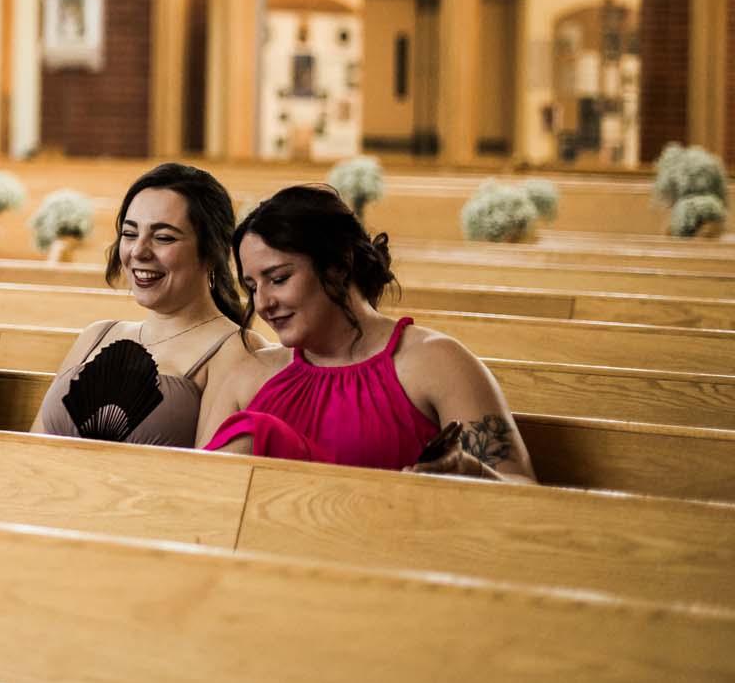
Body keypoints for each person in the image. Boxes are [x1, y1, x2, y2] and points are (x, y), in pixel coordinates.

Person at [203, 184, 537, 482]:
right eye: (251, 286)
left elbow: (523, 492)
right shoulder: (248, 375)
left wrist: (467, 470)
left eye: (278, 279)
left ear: (338, 265)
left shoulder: (436, 362)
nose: (262, 303)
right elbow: (192, 490)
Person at [31, 163, 257, 447]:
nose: (139, 251)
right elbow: (32, 448)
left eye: (163, 237)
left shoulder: (237, 351)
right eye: (129, 233)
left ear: (213, 251)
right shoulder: (96, 335)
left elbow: (208, 479)